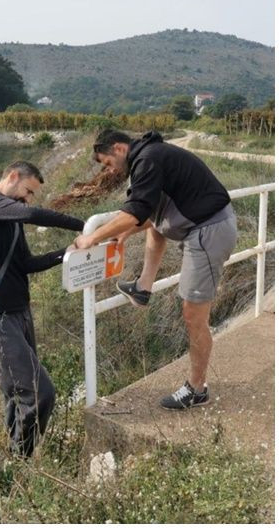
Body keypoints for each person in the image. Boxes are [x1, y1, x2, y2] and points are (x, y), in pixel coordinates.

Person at [75, 129, 236, 410]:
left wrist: (93, 237)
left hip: (208, 232)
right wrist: (125, 233)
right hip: (201, 226)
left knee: (193, 314)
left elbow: (135, 211)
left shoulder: (147, 160)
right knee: (156, 226)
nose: (109, 170)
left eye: (108, 163)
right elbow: (151, 213)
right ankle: (143, 288)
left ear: (119, 148)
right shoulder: (151, 155)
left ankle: (197, 389)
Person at [0, 161, 84, 457]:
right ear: (13, 176)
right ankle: (21, 458)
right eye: (28, 191)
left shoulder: (11, 221)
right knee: (39, 393)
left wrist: (65, 254)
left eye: (31, 195)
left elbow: (26, 264)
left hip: (20, 315)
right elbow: (30, 214)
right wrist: (85, 226)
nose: (28, 199)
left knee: (17, 394)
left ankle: (14, 457)